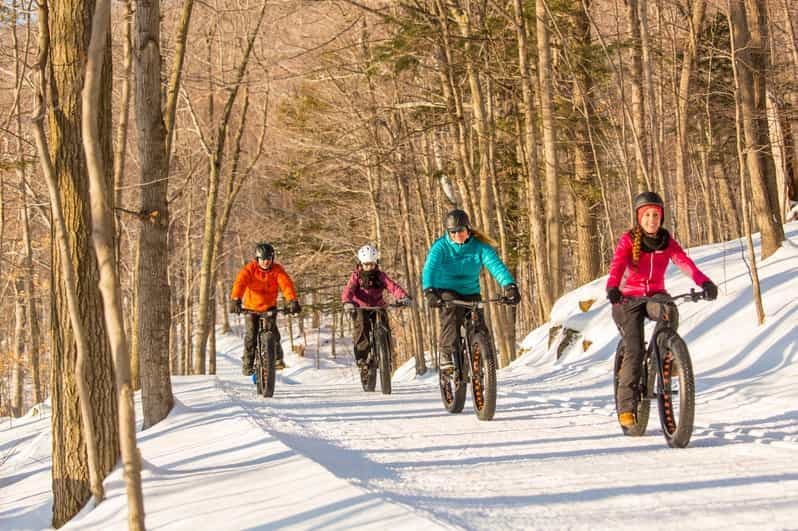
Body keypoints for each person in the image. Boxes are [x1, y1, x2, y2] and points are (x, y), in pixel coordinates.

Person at [606, 191, 717, 428]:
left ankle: (667, 353)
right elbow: (617, 265)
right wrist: (612, 287)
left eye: (656, 215)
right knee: (634, 349)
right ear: (639, 217)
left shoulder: (666, 241)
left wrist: (704, 282)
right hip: (627, 299)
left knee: (669, 309)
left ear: (661, 217)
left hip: (654, 295)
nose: (652, 220)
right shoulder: (628, 240)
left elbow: (685, 263)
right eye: (647, 215)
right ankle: (626, 406)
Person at [421, 209, 520, 372]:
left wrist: (510, 286)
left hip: (470, 291)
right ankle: (446, 353)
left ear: (468, 229)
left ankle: (483, 359)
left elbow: (496, 266)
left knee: (479, 326)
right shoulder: (441, 247)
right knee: (452, 315)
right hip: (446, 289)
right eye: (452, 232)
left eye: (460, 231)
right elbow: (429, 268)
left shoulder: (479, 247)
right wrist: (429, 290)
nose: (456, 235)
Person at [229, 242, 301, 375]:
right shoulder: (250, 269)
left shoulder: (277, 270)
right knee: (251, 335)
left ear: (272, 258)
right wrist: (235, 299)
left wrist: (292, 300)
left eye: (268, 258)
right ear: (257, 259)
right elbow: (240, 283)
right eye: (263, 259)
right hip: (251, 308)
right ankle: (248, 363)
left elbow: (286, 285)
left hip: (269, 307)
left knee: (274, 333)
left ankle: (277, 359)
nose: (266, 262)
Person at [341, 244, 412, 377]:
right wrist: (347, 301)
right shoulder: (356, 276)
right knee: (361, 328)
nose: (369, 267)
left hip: (378, 306)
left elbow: (393, 287)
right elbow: (348, 290)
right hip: (360, 308)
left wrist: (403, 297)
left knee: (385, 327)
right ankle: (362, 360)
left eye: (372, 264)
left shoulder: (380, 276)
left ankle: (387, 354)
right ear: (361, 264)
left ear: (376, 263)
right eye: (366, 265)